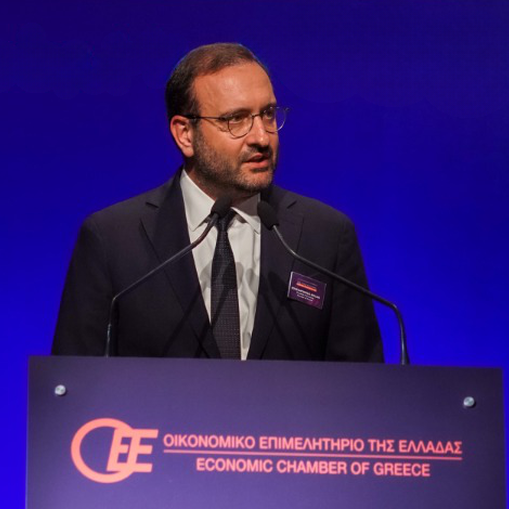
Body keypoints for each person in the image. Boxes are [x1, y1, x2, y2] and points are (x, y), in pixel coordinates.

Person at [52, 43, 383, 362]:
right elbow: (77, 381)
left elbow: (361, 384)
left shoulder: (325, 236)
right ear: (185, 134)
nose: (262, 137)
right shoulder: (112, 240)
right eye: (235, 119)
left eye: (268, 114)